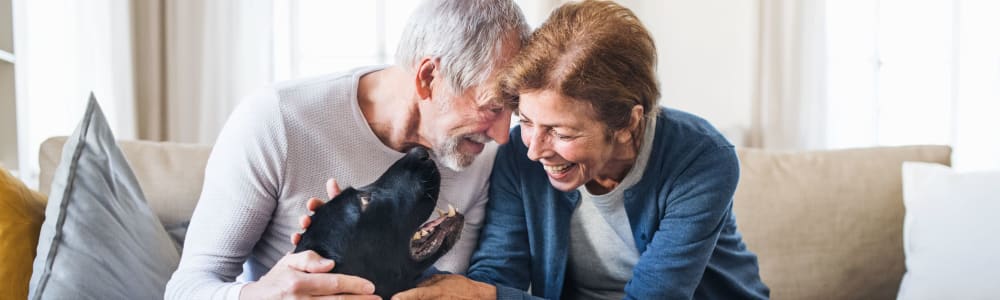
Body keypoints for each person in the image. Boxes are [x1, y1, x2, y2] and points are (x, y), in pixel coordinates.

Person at [391, 1, 771, 299]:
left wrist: (491, 295)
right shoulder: (519, 156)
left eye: (560, 132)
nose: (535, 150)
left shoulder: (702, 158)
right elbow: (496, 273)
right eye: (525, 120)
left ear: (627, 124)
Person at [164, 1, 530, 299]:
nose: (501, 136)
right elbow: (185, 289)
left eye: (511, 112)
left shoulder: (478, 152)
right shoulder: (278, 119)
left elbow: (462, 285)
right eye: (492, 107)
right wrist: (260, 295)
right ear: (428, 77)